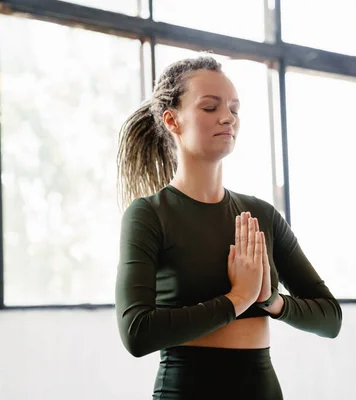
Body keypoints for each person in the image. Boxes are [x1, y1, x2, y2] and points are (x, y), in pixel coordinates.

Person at [114, 53, 342, 400]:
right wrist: (237, 299)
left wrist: (270, 301)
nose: (227, 117)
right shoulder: (149, 214)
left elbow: (330, 318)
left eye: (234, 109)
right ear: (172, 120)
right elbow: (136, 333)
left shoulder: (261, 214)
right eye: (210, 107)